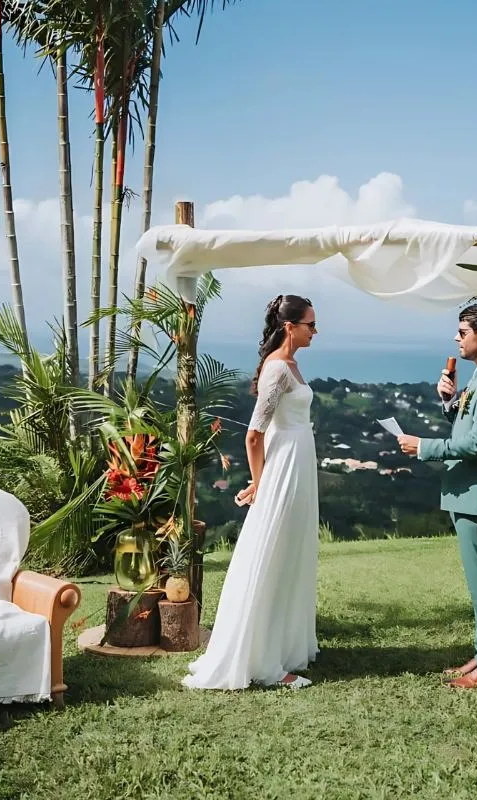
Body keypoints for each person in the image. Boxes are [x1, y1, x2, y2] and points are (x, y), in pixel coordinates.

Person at [183, 294, 319, 691]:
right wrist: (261, 482)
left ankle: (283, 648)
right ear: (290, 326)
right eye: (310, 324)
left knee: (292, 555)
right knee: (272, 555)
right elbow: (254, 434)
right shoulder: (277, 369)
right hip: (283, 469)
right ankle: (263, 663)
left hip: (296, 466)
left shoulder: (291, 365)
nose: (315, 331)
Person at [398, 302, 477, 689]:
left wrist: (424, 447)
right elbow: (468, 428)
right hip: (467, 494)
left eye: (462, 331)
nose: (456, 338)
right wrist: (449, 402)